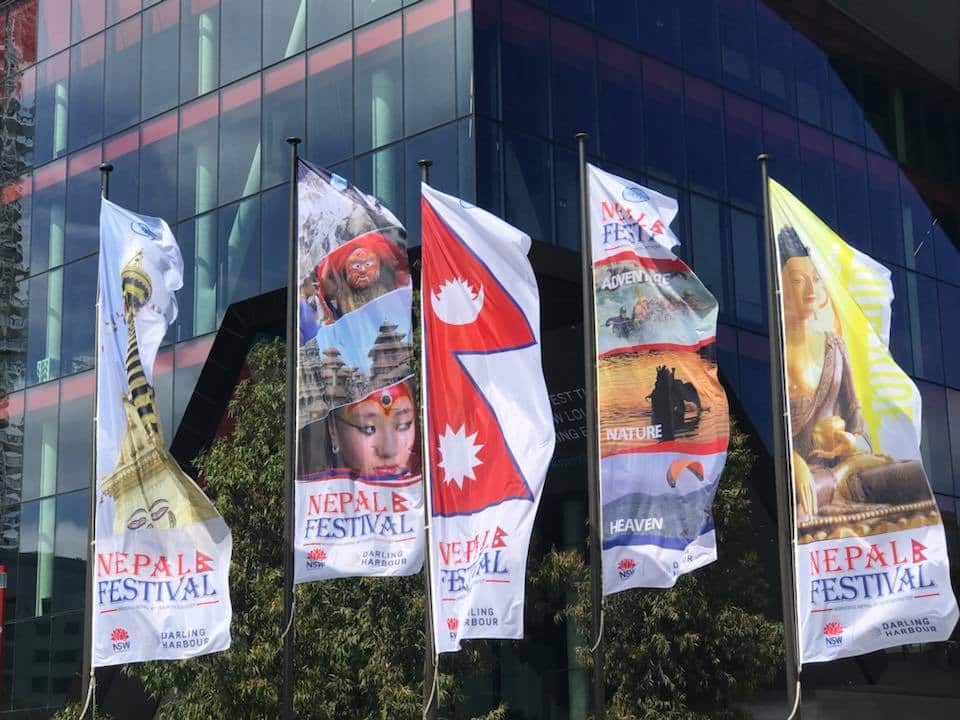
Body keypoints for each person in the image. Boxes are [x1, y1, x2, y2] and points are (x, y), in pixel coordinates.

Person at [779, 226, 929, 520]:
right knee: (805, 500)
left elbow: (856, 418)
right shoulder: (774, 352)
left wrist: (852, 444)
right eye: (797, 281)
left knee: (915, 478)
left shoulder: (834, 347)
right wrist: (792, 460)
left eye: (816, 279)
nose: (810, 290)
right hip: (807, 479)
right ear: (782, 289)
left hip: (850, 471)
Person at [327, 381, 418, 478]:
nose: (388, 450)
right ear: (334, 431)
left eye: (403, 425)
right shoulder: (318, 488)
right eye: (368, 429)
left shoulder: (429, 485)